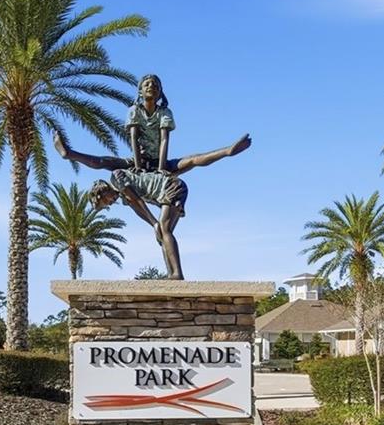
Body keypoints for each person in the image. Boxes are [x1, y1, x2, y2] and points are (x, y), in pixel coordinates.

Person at [52, 74, 250, 279]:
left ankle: (227, 151)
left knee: (188, 164)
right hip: (141, 165)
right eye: (147, 84)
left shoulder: (121, 177)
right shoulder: (134, 112)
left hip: (160, 170)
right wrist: (138, 167)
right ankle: (173, 274)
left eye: (155, 85)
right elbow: (133, 137)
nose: (151, 87)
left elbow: (163, 142)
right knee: (162, 232)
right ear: (140, 91)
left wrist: (161, 169)